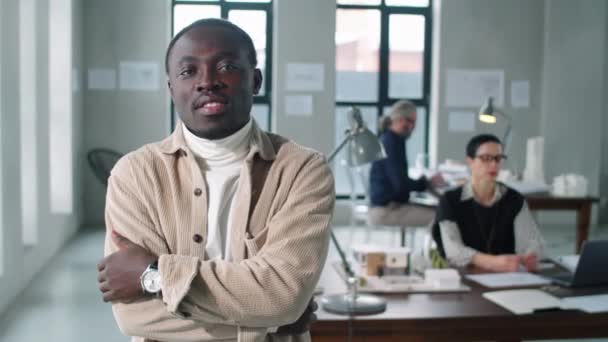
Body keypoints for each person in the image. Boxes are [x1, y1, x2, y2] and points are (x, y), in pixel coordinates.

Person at [96, 18, 335, 342]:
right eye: (188, 71)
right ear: (171, 89)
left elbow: (285, 295)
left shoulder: (302, 170)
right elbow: (135, 317)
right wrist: (269, 321)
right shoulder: (134, 175)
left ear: (256, 80)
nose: (207, 82)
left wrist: (152, 276)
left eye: (227, 66)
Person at [432, 134, 544, 272]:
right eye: (486, 158)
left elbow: (532, 242)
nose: (494, 164)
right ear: (470, 161)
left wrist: (530, 256)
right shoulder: (450, 200)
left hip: (507, 276)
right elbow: (453, 250)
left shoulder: (514, 199)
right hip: (463, 274)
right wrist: (491, 262)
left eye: (498, 158)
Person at [368, 100, 443, 229]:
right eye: (412, 122)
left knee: (444, 210)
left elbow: (400, 181)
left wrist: (423, 183)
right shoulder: (391, 143)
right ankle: (431, 249)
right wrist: (425, 183)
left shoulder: (391, 139)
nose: (413, 127)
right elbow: (400, 185)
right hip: (386, 210)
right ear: (401, 120)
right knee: (444, 216)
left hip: (390, 205)